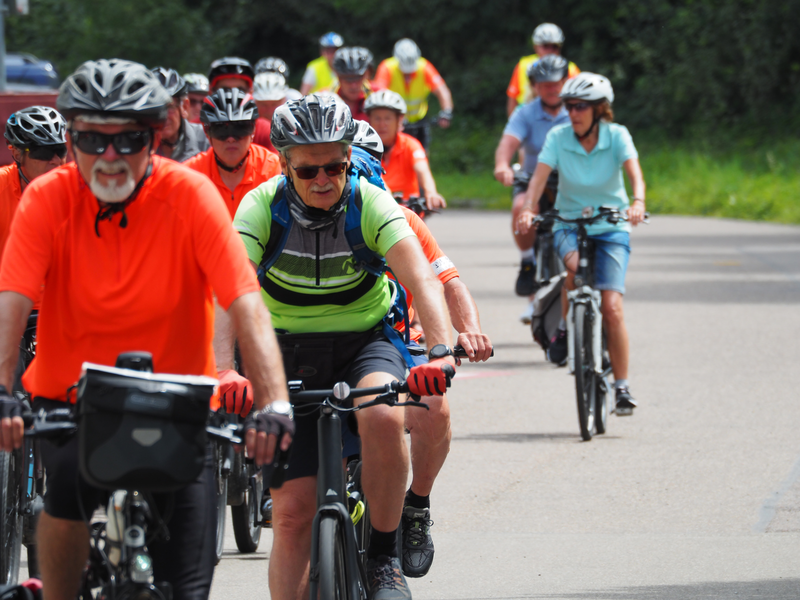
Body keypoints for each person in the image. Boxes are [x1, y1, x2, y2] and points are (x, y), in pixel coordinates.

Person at [0, 58, 291, 600]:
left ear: (155, 136)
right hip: (69, 398)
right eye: (92, 140)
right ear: (71, 138)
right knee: (62, 486)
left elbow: (245, 301)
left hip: (180, 403)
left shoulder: (190, 194)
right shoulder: (46, 197)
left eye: (129, 139)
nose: (109, 157)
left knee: (187, 586)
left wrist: (273, 402)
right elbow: (12, 300)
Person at [230, 94, 458, 600]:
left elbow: (422, 279)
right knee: (290, 516)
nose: (323, 180)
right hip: (282, 348)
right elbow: (229, 294)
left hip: (365, 341)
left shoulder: (369, 202)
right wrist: (226, 370)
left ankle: (383, 556)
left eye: (335, 165)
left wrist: (440, 353)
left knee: (381, 414)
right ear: (285, 162)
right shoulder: (260, 206)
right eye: (309, 170)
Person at [350, 122, 492, 578]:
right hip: (333, 343)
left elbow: (447, 281)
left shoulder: (405, 221)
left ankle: (416, 505)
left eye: (361, 168)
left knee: (432, 406)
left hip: (399, 340)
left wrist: (468, 330)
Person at [517, 73, 646, 416]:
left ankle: (621, 386)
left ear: (599, 110)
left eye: (579, 107)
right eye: (568, 106)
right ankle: (562, 328)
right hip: (568, 223)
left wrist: (639, 202)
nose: (571, 113)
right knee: (575, 267)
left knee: (612, 308)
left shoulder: (617, 136)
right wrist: (529, 209)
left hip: (611, 225)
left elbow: (635, 173)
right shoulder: (559, 137)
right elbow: (539, 177)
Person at [494, 55, 571, 318]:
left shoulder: (577, 110)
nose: (552, 88)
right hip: (532, 180)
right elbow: (508, 144)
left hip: (569, 182)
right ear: (535, 86)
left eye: (557, 83)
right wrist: (503, 165)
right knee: (521, 207)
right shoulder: (524, 113)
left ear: (566, 82)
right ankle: (528, 261)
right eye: (545, 83)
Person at [184, 88, 281, 218]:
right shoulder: (190, 175)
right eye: (220, 130)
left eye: (240, 128)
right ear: (207, 133)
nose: (231, 138)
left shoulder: (274, 170)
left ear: (253, 130)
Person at [2, 106, 67, 265]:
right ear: (18, 155)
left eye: (60, 150)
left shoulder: (81, 187)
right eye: (43, 153)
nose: (56, 160)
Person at [364, 90, 446, 210]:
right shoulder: (363, 150)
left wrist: (431, 192)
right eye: (377, 118)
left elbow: (423, 170)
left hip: (410, 214)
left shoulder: (411, 145)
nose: (382, 124)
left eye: (387, 118)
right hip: (376, 214)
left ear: (399, 121)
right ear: (369, 121)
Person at [372, 39, 453, 153]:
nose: (408, 75)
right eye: (405, 73)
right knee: (392, 154)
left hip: (420, 120)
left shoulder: (424, 67)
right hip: (395, 121)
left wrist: (446, 112)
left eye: (410, 72)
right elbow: (378, 94)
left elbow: (442, 91)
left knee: (422, 154)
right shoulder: (387, 67)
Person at [506, 23, 580, 117]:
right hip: (528, 117)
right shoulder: (523, 65)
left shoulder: (570, 68)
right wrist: (513, 124)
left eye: (554, 46)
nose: (550, 50)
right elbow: (512, 97)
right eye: (545, 46)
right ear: (535, 47)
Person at [207, 57, 272, 151]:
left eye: (240, 90)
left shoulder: (266, 130)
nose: (233, 95)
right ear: (210, 92)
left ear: (251, 93)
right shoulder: (196, 130)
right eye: (225, 90)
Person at [151, 67, 210, 162]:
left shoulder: (208, 141)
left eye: (169, 107)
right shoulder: (138, 147)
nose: (162, 116)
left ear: (184, 107)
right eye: (154, 109)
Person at [332, 46, 374, 121]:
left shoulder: (376, 93)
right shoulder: (325, 97)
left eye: (358, 78)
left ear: (366, 75)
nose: (353, 85)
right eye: (348, 79)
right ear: (338, 77)